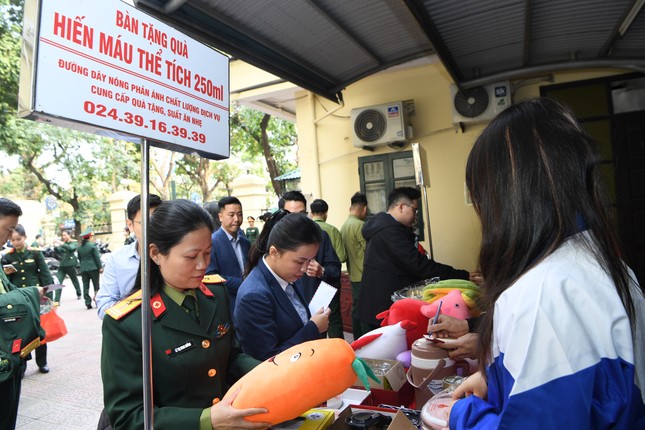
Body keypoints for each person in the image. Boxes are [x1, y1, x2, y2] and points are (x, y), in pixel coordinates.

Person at [448, 98, 645, 428]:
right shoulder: (603, 263)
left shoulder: (540, 294)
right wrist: (494, 381)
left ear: (507, 198)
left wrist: (463, 416)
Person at [101, 199, 269, 429]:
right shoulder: (128, 323)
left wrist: (270, 370)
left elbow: (231, 357)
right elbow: (129, 416)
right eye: (191, 257)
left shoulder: (215, 294)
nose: (203, 265)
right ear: (156, 254)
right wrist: (206, 420)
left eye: (208, 253)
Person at [358, 187, 479, 334]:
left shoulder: (387, 227)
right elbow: (419, 265)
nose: (416, 216)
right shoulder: (389, 231)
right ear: (401, 206)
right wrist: (461, 275)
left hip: (378, 302)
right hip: (382, 306)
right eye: (414, 210)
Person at [235, 211, 331, 361]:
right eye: (300, 262)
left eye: (310, 260)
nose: (305, 269)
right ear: (274, 252)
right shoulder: (254, 296)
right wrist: (313, 328)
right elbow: (269, 360)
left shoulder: (287, 276)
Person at [0, 198, 45, 430]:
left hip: (8, 357)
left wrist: (33, 293)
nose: (10, 237)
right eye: (8, 229)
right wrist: (28, 295)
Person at [279, 191, 342, 338]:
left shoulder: (320, 236)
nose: (297, 220)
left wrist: (322, 271)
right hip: (287, 313)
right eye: (290, 215)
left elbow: (335, 270)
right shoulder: (276, 242)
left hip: (314, 309)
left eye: (301, 214)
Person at [96, 194, 163, 319]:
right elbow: (104, 306)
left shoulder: (175, 255)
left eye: (158, 221)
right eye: (145, 222)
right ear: (130, 225)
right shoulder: (117, 260)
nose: (153, 228)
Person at [2, 224, 53, 374]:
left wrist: (49, 297)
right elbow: (5, 280)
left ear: (25, 238)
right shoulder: (8, 256)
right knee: (22, 332)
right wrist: (8, 272)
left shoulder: (35, 254)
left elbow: (45, 274)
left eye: (18, 239)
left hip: (36, 297)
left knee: (38, 329)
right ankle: (23, 364)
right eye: (13, 240)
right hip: (19, 298)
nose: (16, 242)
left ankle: (42, 362)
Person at [205, 196, 250, 314]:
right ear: (220, 217)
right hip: (227, 304)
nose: (236, 219)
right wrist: (242, 284)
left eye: (240, 214)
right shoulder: (212, 242)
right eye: (231, 215)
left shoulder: (245, 243)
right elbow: (210, 276)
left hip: (248, 301)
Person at [340, 192, 368, 340]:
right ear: (364, 208)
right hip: (365, 275)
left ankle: (358, 339)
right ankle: (365, 339)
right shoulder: (361, 226)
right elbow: (369, 252)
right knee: (366, 310)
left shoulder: (344, 226)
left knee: (357, 308)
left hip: (353, 274)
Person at [76, 228, 102, 310]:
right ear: (90, 237)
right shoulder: (92, 246)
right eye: (92, 236)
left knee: (85, 286)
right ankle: (98, 301)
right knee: (96, 285)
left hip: (83, 268)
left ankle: (87, 303)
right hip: (93, 268)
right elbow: (97, 257)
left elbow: (79, 258)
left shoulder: (79, 248)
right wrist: (100, 267)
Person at [53, 229, 81, 302]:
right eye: (63, 235)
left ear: (69, 235)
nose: (64, 237)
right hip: (62, 265)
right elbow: (60, 252)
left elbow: (70, 248)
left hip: (70, 264)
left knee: (74, 279)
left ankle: (79, 293)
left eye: (65, 235)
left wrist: (61, 243)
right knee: (58, 281)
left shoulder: (74, 242)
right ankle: (56, 299)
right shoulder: (63, 243)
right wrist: (55, 247)